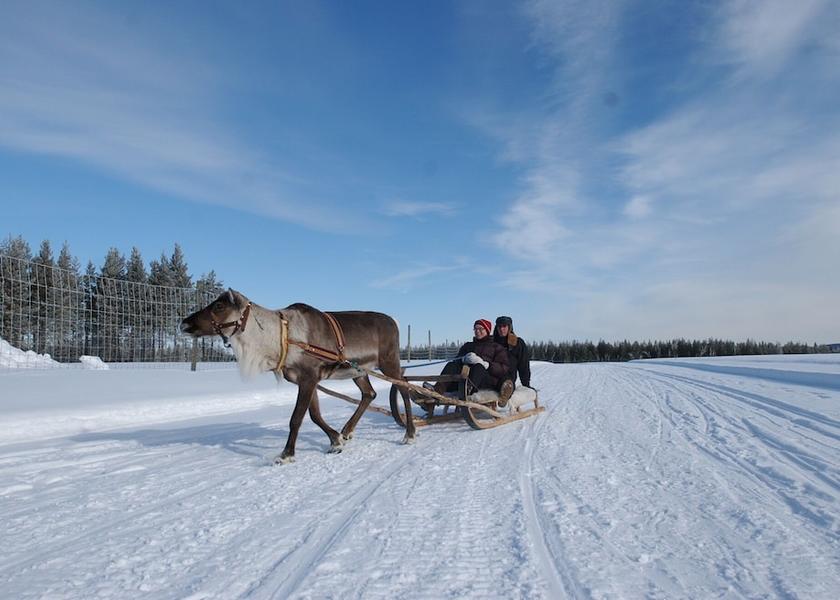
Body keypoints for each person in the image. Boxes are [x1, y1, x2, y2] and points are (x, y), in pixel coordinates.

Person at [430, 318, 513, 402]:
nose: (477, 331)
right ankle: (436, 391)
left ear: (487, 330)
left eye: (481, 329)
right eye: (475, 329)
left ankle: (467, 392)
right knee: (451, 365)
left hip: (486, 381)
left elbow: (504, 368)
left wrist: (486, 364)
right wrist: (463, 359)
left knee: (479, 367)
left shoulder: (496, 347)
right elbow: (456, 360)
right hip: (465, 378)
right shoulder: (468, 346)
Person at [493, 316, 532, 399]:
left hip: (508, 378)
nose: (501, 329)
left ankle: (505, 395)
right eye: (499, 326)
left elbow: (523, 365)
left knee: (506, 384)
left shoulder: (517, 343)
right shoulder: (492, 342)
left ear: (509, 327)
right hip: (492, 376)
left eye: (504, 326)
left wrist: (526, 384)